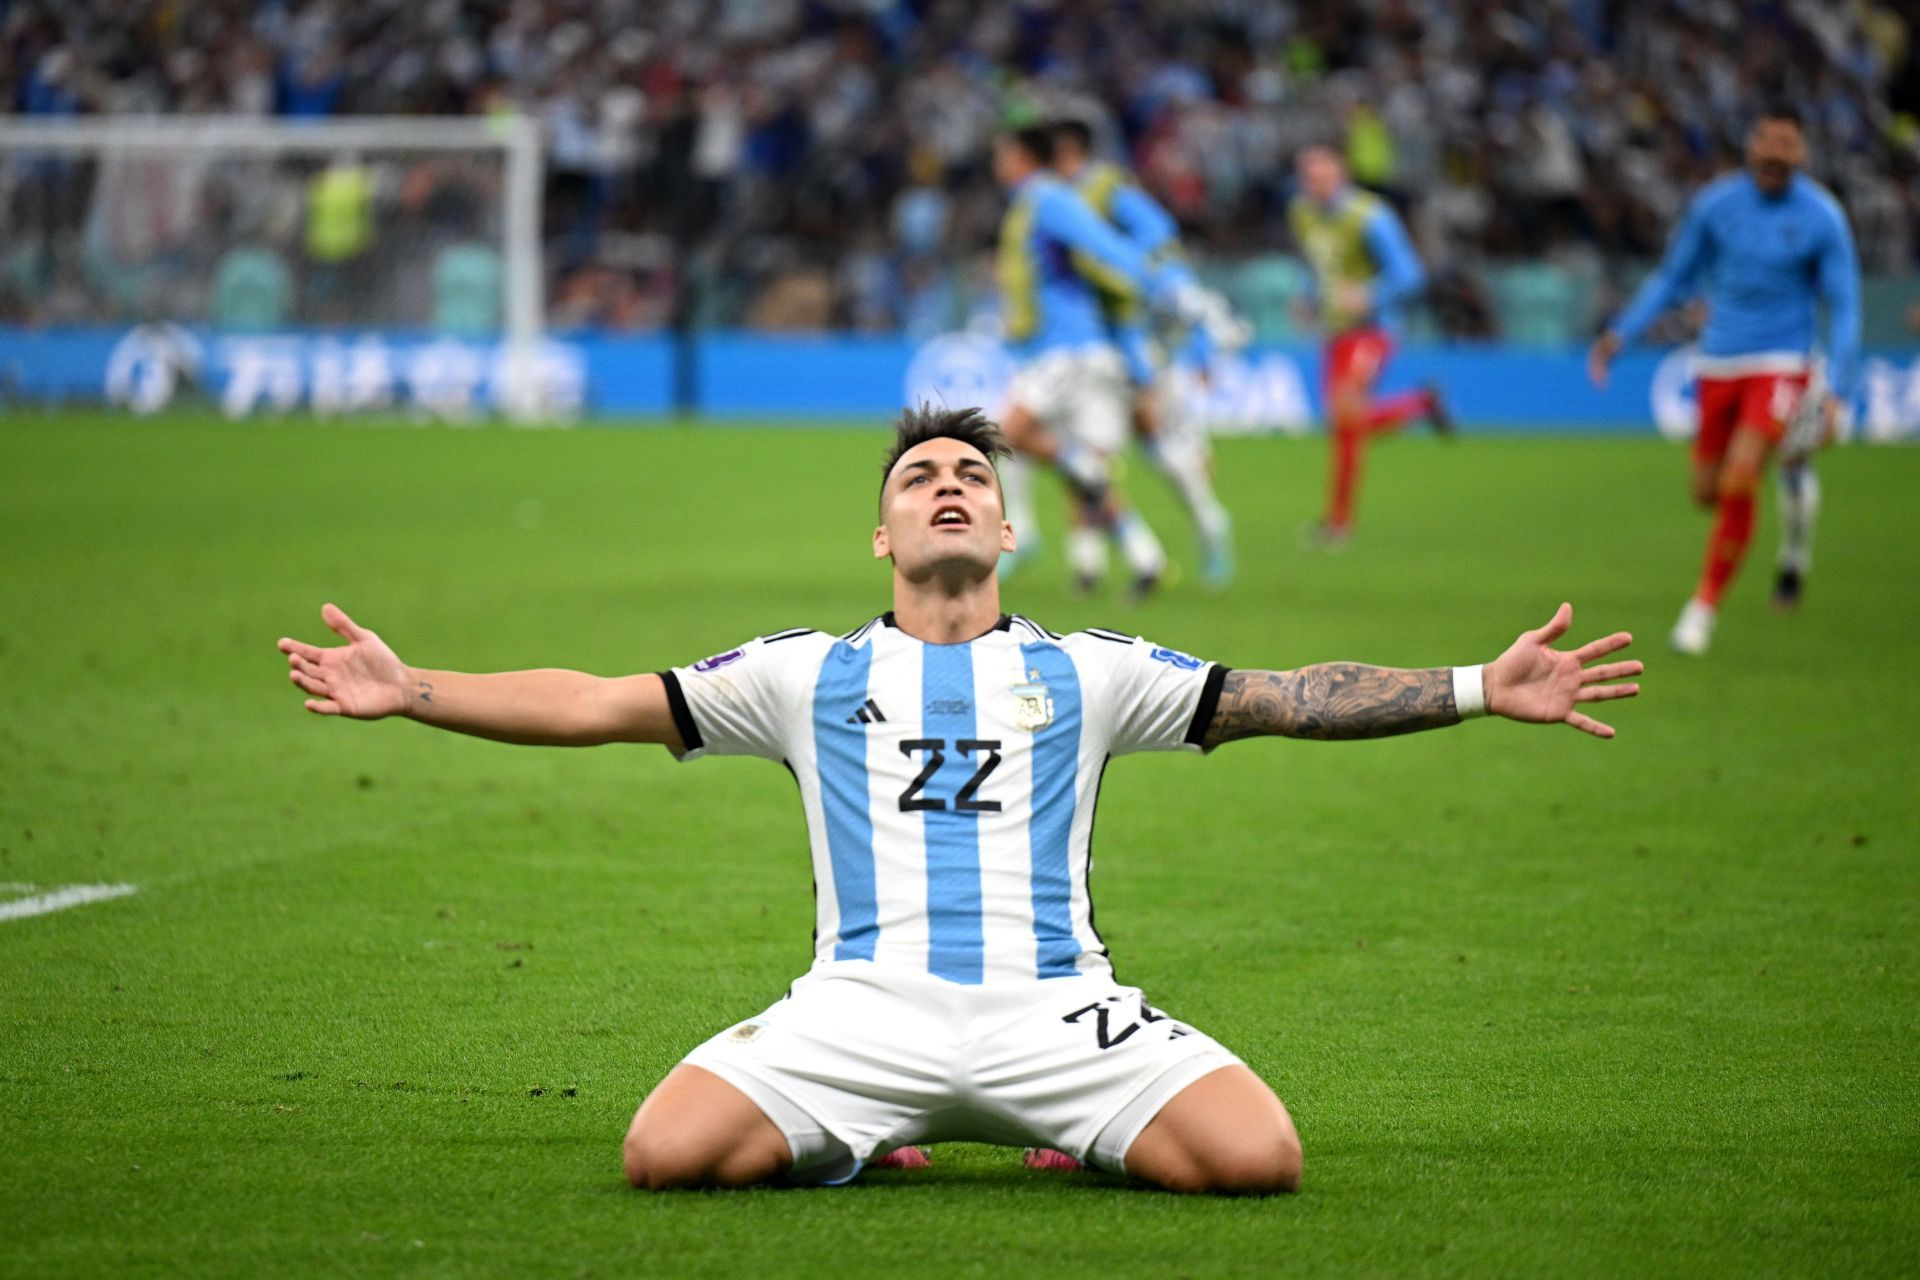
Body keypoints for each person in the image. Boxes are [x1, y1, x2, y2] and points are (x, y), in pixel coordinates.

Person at [276, 405, 1642, 1195]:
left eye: (973, 478)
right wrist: (417, 691)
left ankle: (1076, 1135)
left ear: (1004, 531)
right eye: (920, 478)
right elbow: (594, 702)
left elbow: (1287, 696)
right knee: (661, 1157)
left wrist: (1475, 683)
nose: (949, 488)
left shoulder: (1093, 671)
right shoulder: (802, 673)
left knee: (1262, 1161)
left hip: (1058, 1008)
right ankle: (855, 1140)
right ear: (881, 535)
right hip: (860, 1011)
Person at [1588, 104, 1860, 655]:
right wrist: (1623, 332)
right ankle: (1794, 501)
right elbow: (1673, 275)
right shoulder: (1716, 205)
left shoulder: (1822, 216)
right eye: (1768, 144)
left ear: (1801, 156)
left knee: (1741, 473)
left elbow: (1846, 305)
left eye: (1788, 147)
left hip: (1783, 362)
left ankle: (1702, 610)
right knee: (1706, 492)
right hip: (1717, 362)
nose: (1776, 158)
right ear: (1751, 147)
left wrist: (1839, 389)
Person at [992, 125, 1215, 599]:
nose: (998, 163)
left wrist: (1169, 288)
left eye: (1004, 154)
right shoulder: (1034, 202)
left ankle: (1025, 533)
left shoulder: (1050, 199)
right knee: (1086, 470)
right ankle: (1146, 557)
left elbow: (1105, 245)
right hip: (1062, 350)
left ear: (1024, 158)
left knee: (1004, 434)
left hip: (1070, 351)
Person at [1049, 118, 1239, 589]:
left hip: (1134, 346)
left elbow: (1160, 240)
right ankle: (1089, 565)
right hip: (1093, 345)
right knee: (1086, 454)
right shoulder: (1055, 199)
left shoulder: (1106, 190)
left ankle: (1211, 525)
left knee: (1160, 449)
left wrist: (1194, 332)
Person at [1289, 145, 1451, 548]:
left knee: (1345, 414)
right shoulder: (1302, 214)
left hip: (1373, 330)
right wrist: (1308, 297)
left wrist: (1370, 296)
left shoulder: (1371, 216)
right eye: (1308, 177)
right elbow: (1321, 266)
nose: (1315, 184)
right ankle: (1420, 404)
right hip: (1336, 332)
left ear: (1341, 173)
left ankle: (1339, 525)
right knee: (1345, 425)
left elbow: (1411, 275)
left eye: (1322, 175)